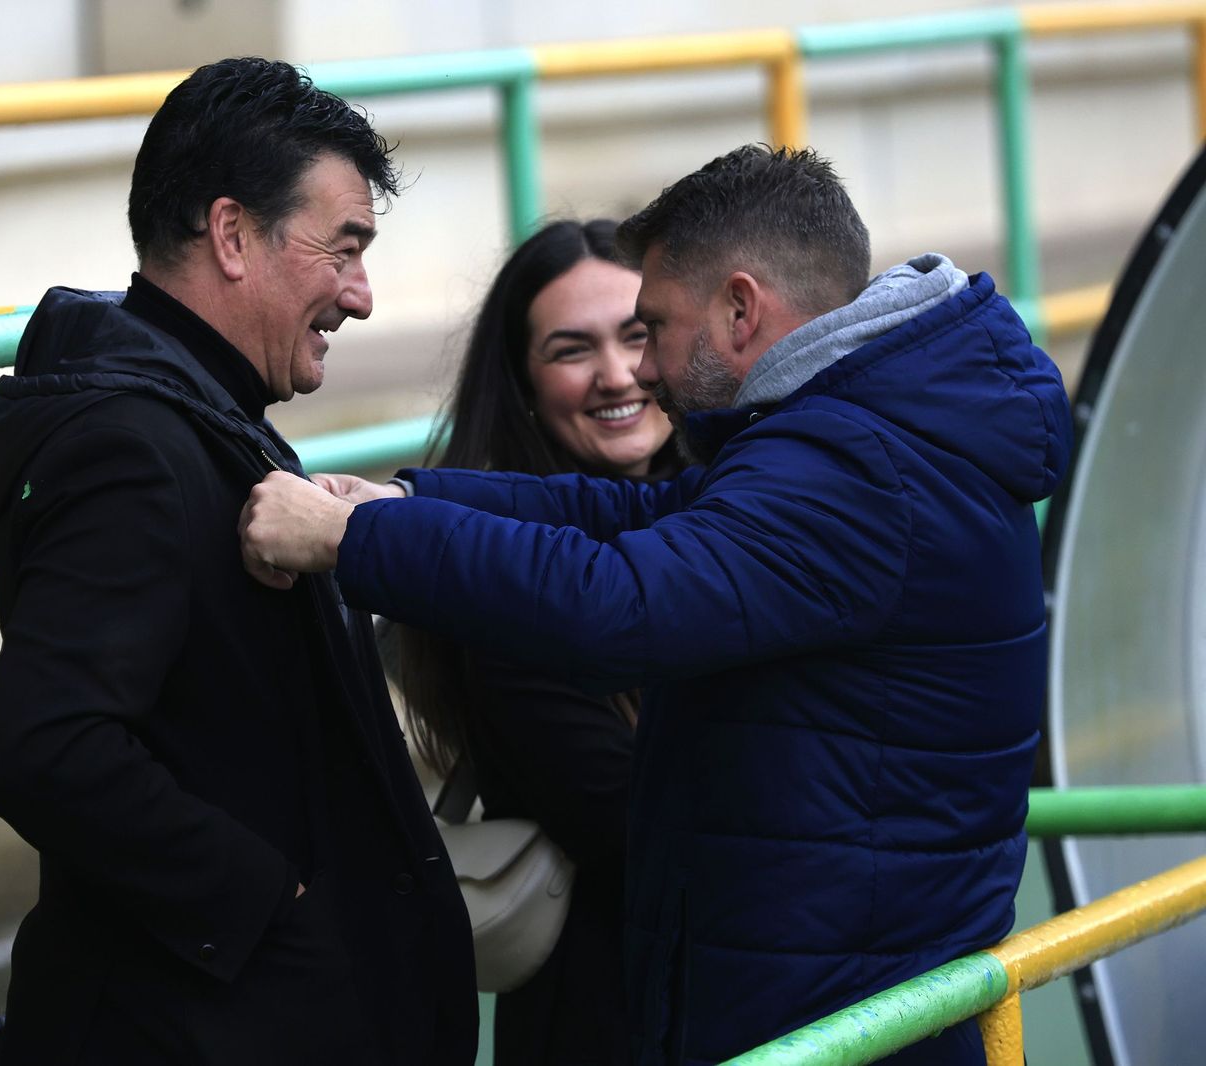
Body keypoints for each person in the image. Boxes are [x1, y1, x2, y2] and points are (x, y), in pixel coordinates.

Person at [240, 144, 1072, 1065]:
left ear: (742, 309)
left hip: (836, 1022)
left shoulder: (853, 469)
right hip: (843, 998)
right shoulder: (860, 431)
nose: (644, 369)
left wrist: (349, 543)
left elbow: (617, 607)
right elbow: (646, 512)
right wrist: (408, 506)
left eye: (654, 327)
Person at [0, 57, 476, 1066]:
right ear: (232, 235)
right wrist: (268, 907)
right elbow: (48, 749)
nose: (360, 297)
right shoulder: (132, 447)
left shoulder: (199, 416)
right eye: (345, 249)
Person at [389, 217, 674, 1066]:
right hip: (611, 1018)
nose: (618, 376)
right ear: (521, 382)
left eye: (638, 336)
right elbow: (638, 830)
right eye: (571, 350)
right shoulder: (502, 587)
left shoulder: (729, 506)